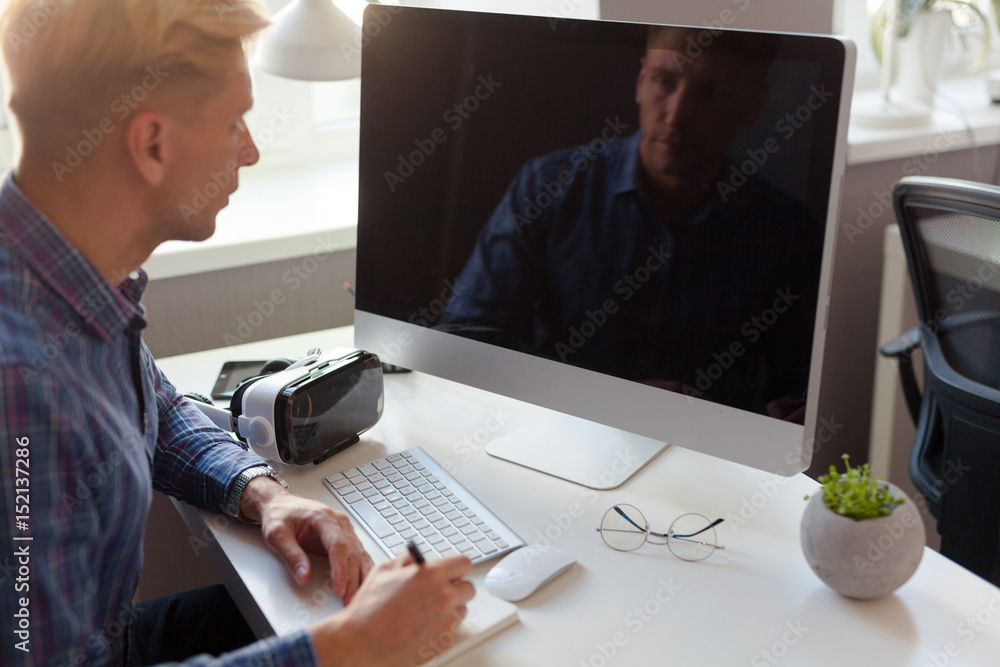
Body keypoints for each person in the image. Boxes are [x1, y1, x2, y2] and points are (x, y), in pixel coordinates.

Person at [0, 1, 472, 665]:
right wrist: (349, 647)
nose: (250, 150)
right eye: (232, 123)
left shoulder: (62, 269)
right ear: (153, 144)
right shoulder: (23, 389)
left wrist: (262, 494)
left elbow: (155, 407)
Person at [439, 26, 821, 419]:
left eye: (711, 92)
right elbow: (465, 338)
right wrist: (611, 398)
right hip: (560, 428)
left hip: (711, 458)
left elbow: (797, 384)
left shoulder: (784, 227)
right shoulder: (550, 186)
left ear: (752, 105)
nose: (677, 114)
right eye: (664, 80)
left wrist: (789, 414)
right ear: (641, 81)